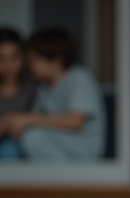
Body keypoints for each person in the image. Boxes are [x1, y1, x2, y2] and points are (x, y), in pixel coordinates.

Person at [0, 26, 105, 161]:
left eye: (34, 60)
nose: (29, 65)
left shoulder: (78, 78)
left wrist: (28, 118)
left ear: (56, 60)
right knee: (14, 145)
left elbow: (76, 121)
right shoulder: (44, 88)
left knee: (33, 138)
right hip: (55, 146)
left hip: (82, 152)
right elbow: (37, 120)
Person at [0, 27, 35, 160]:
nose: (8, 65)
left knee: (11, 149)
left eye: (14, 57)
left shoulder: (34, 84)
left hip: (26, 146)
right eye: (1, 58)